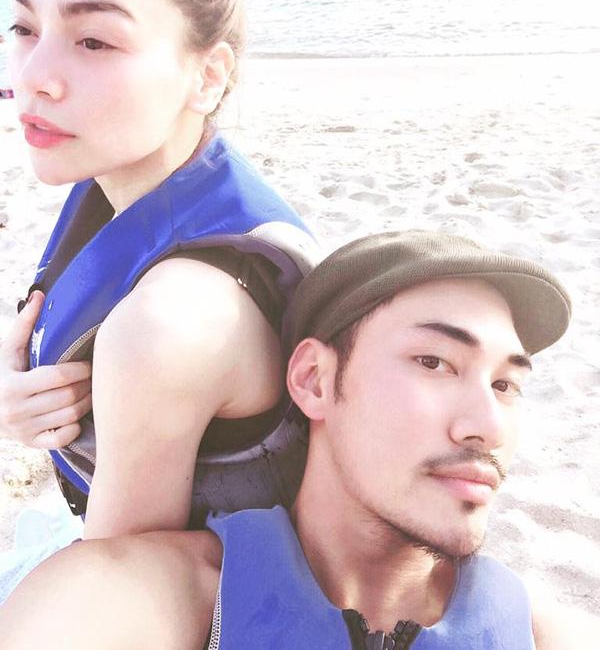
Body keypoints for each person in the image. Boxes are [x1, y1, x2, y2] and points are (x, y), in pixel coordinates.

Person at [2, 230, 598, 648]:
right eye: (434, 362)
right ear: (314, 379)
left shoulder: (544, 636)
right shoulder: (157, 600)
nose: (487, 426)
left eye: (505, 385)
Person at [0, 0, 318, 546]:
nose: (32, 79)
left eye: (94, 41)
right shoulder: (129, 171)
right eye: (25, 26)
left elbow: (113, 588)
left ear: (207, 76)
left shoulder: (171, 323)